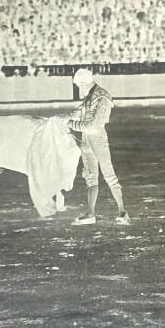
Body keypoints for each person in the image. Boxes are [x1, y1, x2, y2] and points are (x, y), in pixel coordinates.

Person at [66, 68, 128, 225]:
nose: (79, 88)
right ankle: (91, 213)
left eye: (79, 85)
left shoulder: (102, 96)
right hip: (88, 138)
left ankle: (123, 212)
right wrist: (67, 117)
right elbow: (80, 111)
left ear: (85, 83)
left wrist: (71, 124)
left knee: (108, 174)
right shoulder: (92, 95)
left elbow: (94, 125)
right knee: (90, 176)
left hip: (97, 137)